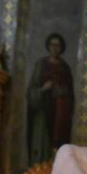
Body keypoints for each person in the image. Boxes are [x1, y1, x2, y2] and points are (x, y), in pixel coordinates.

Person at [27, 32, 74, 166]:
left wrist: (63, 93)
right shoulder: (40, 65)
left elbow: (70, 93)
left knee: (57, 144)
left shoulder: (65, 68)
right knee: (42, 143)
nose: (55, 48)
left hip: (60, 114)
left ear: (61, 48)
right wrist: (43, 89)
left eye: (57, 45)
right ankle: (37, 171)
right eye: (52, 45)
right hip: (42, 112)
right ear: (48, 46)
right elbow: (31, 91)